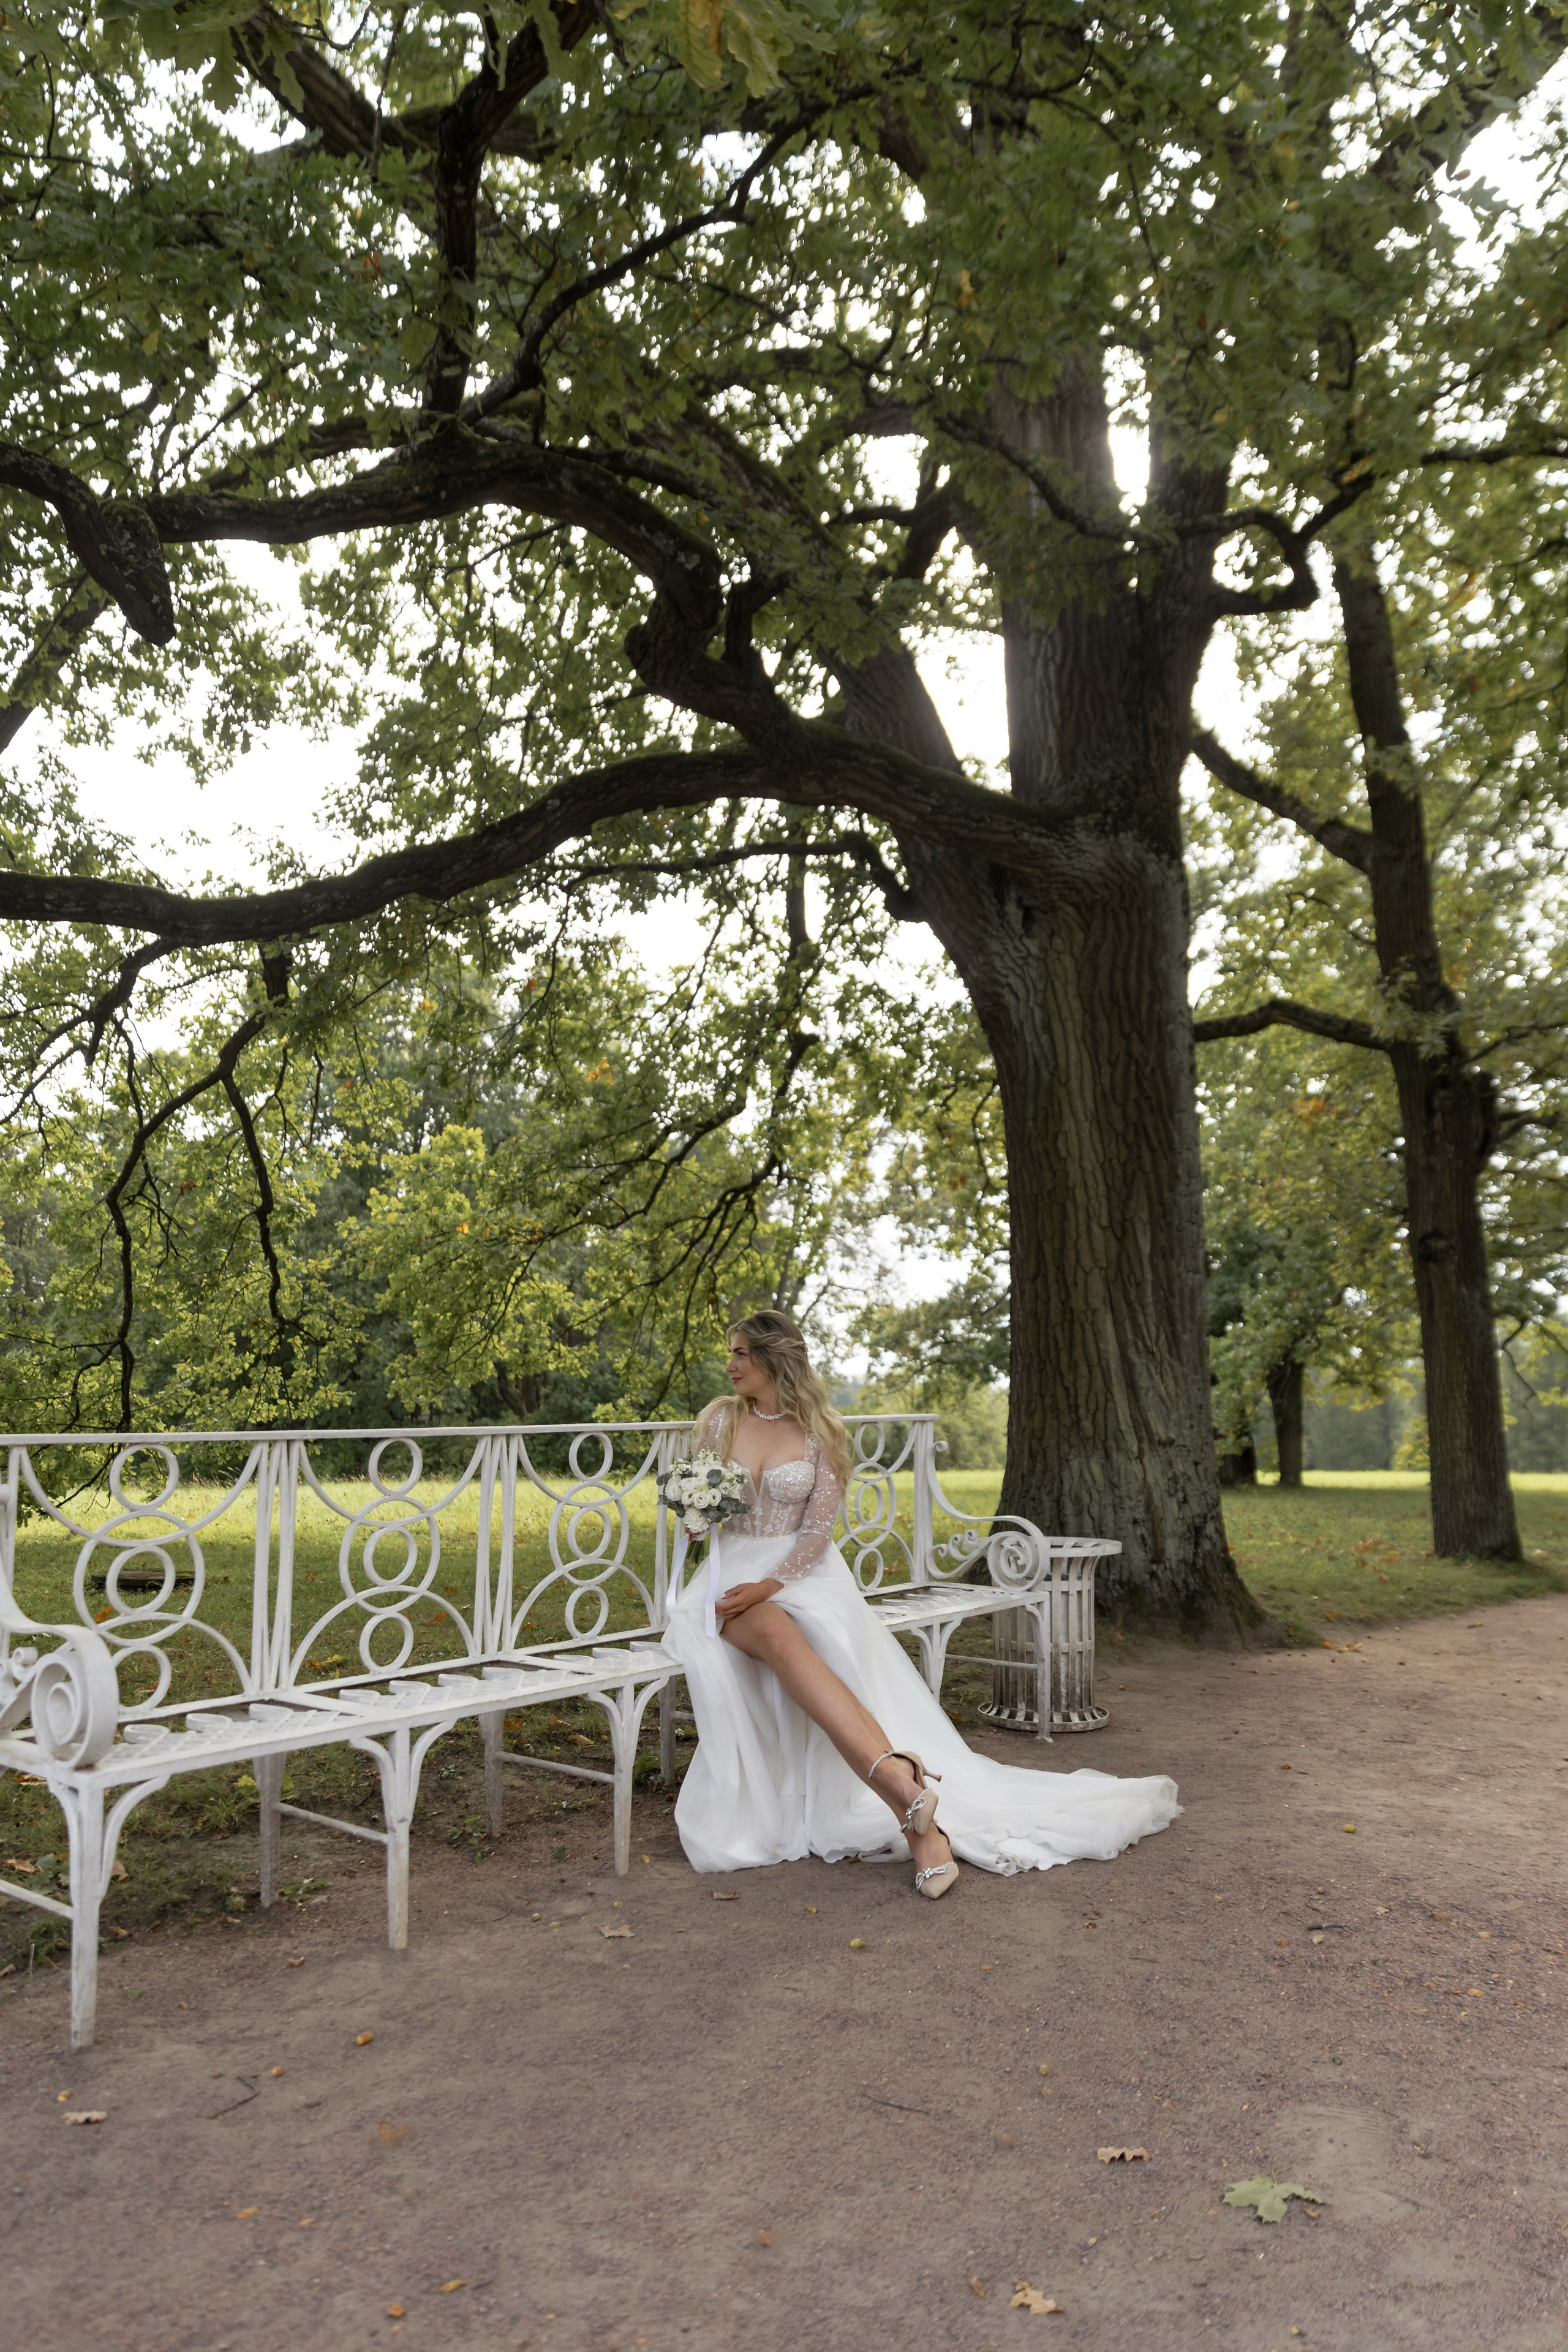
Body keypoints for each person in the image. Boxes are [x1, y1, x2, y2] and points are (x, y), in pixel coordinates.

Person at [662, 1309, 1180, 1898]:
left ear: (775, 1359)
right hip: (731, 1577)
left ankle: (910, 1800)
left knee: (809, 1639)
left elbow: (815, 1536)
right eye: (730, 1353)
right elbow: (700, 1505)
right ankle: (909, 1795)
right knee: (781, 1635)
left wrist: (771, 1585)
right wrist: (696, 1519)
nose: (729, 1365)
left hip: (796, 1578)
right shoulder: (719, 1422)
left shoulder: (820, 1434)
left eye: (740, 1355)